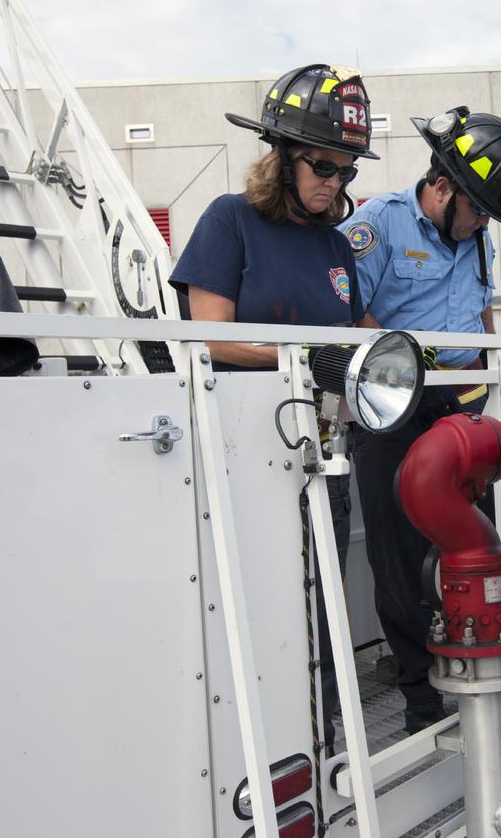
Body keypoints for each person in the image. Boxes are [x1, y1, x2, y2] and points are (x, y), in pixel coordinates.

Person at [168, 63, 379, 755]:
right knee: (259, 596)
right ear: (283, 155)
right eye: (323, 165)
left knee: (322, 595)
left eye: (346, 172)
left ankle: (323, 729)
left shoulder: (334, 245)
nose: (335, 183)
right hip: (243, 447)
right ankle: (258, 744)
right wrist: (307, 359)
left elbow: (353, 333)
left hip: (323, 445)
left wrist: (378, 349)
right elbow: (211, 338)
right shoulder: (230, 221)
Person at [340, 107, 501, 732]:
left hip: (456, 407)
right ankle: (420, 700)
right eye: (478, 209)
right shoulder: (377, 224)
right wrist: (411, 365)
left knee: (461, 543)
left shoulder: (473, 235)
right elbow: (348, 313)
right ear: (443, 187)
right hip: (392, 406)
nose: (484, 222)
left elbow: (478, 318)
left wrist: (484, 383)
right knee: (399, 560)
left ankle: (469, 666)